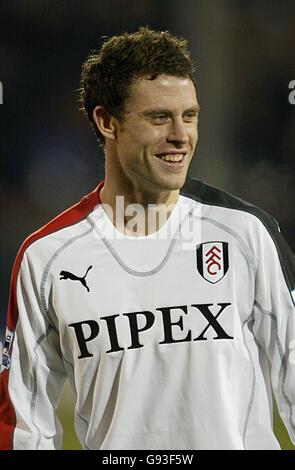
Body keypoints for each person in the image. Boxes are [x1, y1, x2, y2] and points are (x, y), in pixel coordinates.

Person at [0, 26, 294, 451]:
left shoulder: (245, 233)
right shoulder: (47, 258)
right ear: (107, 122)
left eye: (189, 116)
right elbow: (22, 424)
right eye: (159, 118)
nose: (181, 135)